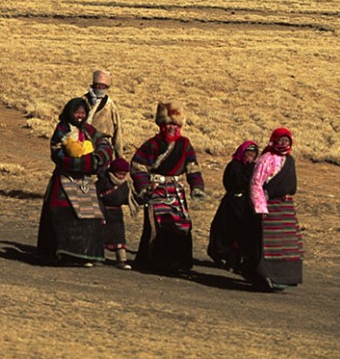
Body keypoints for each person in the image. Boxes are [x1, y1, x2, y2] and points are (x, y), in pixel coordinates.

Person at [36, 98, 114, 265]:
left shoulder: (89, 130)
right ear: (70, 112)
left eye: (83, 113)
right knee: (64, 215)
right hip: (64, 179)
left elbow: (105, 145)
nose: (80, 115)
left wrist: (96, 159)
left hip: (84, 182)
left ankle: (85, 254)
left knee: (90, 216)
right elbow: (56, 152)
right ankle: (64, 253)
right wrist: (80, 163)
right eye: (77, 112)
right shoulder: (62, 129)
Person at [130, 102, 205, 274]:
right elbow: (138, 166)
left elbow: (192, 166)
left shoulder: (185, 144)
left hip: (176, 190)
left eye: (176, 125)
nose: (172, 128)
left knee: (182, 224)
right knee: (157, 225)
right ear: (161, 125)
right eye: (169, 124)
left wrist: (197, 187)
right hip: (156, 189)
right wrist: (143, 186)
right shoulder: (152, 144)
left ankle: (179, 262)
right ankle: (154, 261)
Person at [245, 128, 302, 291]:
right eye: (281, 140)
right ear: (274, 141)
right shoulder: (266, 159)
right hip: (270, 207)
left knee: (287, 244)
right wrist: (260, 208)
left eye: (287, 141)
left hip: (286, 207)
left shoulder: (289, 160)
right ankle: (266, 277)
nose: (284, 144)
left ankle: (284, 277)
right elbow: (256, 184)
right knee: (271, 245)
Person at [207, 140, 259, 271]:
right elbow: (237, 183)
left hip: (245, 204)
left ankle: (236, 260)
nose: (250, 157)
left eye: (253, 155)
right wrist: (248, 170)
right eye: (248, 153)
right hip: (231, 204)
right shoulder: (234, 166)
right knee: (226, 230)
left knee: (242, 231)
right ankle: (223, 256)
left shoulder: (252, 167)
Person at [98, 157, 138, 269]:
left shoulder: (126, 185)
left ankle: (121, 260)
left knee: (119, 238)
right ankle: (97, 257)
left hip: (116, 216)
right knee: (99, 236)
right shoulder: (104, 182)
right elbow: (96, 196)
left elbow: (129, 199)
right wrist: (99, 212)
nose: (122, 176)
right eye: (119, 173)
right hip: (104, 212)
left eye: (124, 174)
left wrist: (144, 196)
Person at [82, 69, 124, 156]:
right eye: (98, 85)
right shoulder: (83, 101)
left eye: (103, 86)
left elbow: (117, 130)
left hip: (103, 146)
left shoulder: (110, 105)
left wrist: (119, 155)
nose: (100, 88)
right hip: (84, 145)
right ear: (94, 85)